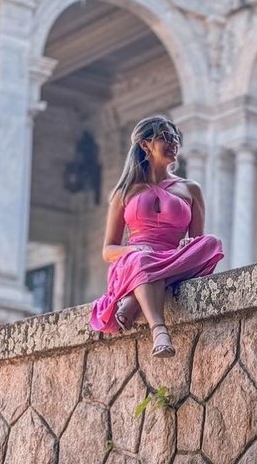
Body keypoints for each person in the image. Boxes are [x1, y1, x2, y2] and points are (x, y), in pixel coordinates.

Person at [90, 114, 224, 357]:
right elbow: (108, 251)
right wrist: (133, 250)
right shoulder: (124, 192)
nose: (174, 143)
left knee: (212, 244)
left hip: (174, 257)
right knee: (141, 261)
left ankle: (134, 296)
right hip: (134, 260)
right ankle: (159, 330)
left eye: (176, 138)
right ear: (145, 144)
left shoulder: (191, 189)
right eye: (166, 138)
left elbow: (197, 241)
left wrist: (187, 244)